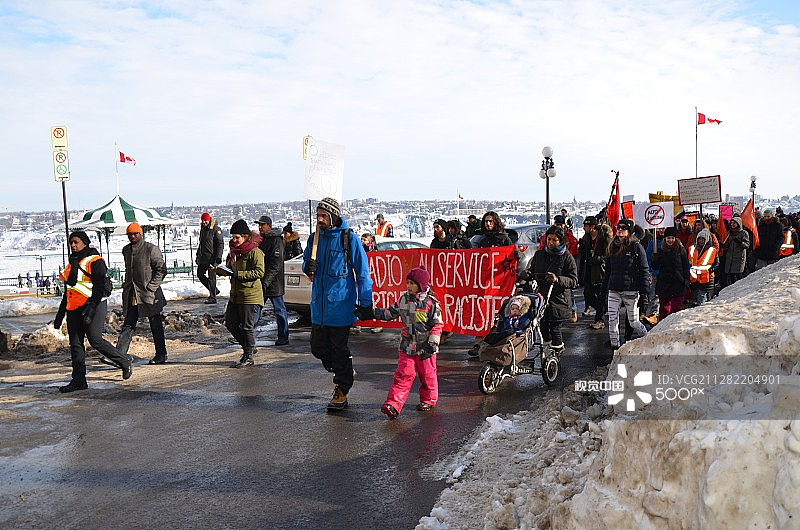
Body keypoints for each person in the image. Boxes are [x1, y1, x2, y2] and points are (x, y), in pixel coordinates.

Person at [303, 197, 374, 411]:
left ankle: (341, 389)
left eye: (324, 216)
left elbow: (362, 272)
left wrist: (366, 302)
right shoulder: (314, 239)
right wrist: (309, 266)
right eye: (318, 216)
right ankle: (343, 369)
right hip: (319, 307)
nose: (320, 220)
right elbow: (308, 267)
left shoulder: (348, 239)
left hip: (340, 306)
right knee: (318, 348)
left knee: (339, 348)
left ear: (334, 216)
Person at [54, 231, 132, 392]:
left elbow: (98, 287)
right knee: (75, 344)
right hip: (74, 307)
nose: (73, 245)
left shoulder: (96, 261)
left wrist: (91, 308)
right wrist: (60, 314)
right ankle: (78, 381)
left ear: (85, 242)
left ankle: (123, 361)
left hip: (94, 305)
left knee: (95, 340)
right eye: (71, 243)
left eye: (76, 242)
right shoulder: (72, 261)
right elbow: (70, 289)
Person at [374, 266, 443, 419]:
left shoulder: (431, 304)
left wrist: (432, 345)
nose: (409, 286)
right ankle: (393, 404)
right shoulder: (403, 299)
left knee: (428, 375)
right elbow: (390, 313)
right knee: (404, 374)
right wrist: (371, 312)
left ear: (421, 285)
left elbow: (437, 325)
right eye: (408, 282)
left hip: (425, 348)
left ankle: (429, 399)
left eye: (412, 283)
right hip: (407, 347)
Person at [520, 226, 578, 354]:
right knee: (543, 327)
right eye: (549, 239)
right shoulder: (540, 254)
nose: (550, 242)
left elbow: (574, 281)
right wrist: (527, 274)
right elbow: (533, 271)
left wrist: (558, 279)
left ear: (561, 241)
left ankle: (557, 352)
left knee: (555, 328)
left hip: (559, 299)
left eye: (554, 240)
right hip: (542, 297)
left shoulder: (566, 257)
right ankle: (549, 348)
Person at [116, 223, 169, 365]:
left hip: (149, 296)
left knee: (155, 325)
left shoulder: (151, 249)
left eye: (135, 234)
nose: (133, 236)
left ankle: (161, 354)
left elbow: (161, 270)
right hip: (132, 294)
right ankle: (118, 356)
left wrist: (151, 287)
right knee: (128, 325)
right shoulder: (126, 250)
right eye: (130, 234)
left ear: (141, 234)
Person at [603, 219, 652, 349]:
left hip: (630, 289)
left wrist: (644, 293)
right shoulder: (612, 247)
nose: (620, 230)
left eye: (623, 228)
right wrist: (603, 291)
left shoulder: (636, 247)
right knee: (612, 321)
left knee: (634, 322)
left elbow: (644, 269)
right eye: (618, 228)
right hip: (614, 288)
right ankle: (615, 349)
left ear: (629, 231)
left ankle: (648, 340)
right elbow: (608, 271)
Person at [222, 220, 265, 367]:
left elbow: (259, 272)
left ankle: (248, 355)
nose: (234, 240)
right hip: (236, 294)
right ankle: (249, 347)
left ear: (245, 236)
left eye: (237, 237)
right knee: (231, 323)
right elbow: (232, 268)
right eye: (232, 237)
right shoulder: (234, 251)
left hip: (250, 295)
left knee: (247, 326)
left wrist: (238, 274)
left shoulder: (255, 251)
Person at [255, 215, 289, 346]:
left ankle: (284, 337)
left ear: (269, 226)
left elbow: (276, 265)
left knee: (279, 311)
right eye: (259, 225)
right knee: (255, 309)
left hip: (273, 284)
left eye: (262, 225)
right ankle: (246, 336)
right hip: (264, 282)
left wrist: (265, 282)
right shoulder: (263, 240)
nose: (260, 227)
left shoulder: (276, 241)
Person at [652, 227, 690, 321]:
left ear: (676, 239)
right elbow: (655, 266)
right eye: (668, 238)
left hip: (678, 283)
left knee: (676, 310)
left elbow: (686, 266)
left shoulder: (681, 251)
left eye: (672, 238)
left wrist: (686, 280)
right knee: (664, 309)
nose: (670, 240)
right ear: (665, 239)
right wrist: (655, 257)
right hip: (664, 284)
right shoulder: (661, 251)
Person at [582, 219, 612, 329]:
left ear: (593, 227)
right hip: (589, 271)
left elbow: (607, 256)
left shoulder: (605, 239)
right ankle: (602, 309)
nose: (584, 228)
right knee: (588, 295)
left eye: (586, 226)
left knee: (601, 296)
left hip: (600, 272)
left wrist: (595, 258)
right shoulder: (586, 238)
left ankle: (599, 319)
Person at [196, 212, 224, 304]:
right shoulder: (203, 229)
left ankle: (213, 297)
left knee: (212, 277)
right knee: (200, 274)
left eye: (205, 220)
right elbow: (201, 244)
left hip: (212, 257)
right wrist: (198, 255)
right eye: (203, 220)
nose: (204, 222)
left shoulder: (215, 229)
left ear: (209, 220)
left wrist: (218, 257)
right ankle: (214, 290)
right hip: (204, 257)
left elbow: (220, 244)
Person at [688, 228, 718, 306]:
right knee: (696, 297)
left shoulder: (712, 250)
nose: (701, 240)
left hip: (707, 278)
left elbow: (717, 263)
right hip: (694, 278)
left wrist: (710, 270)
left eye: (703, 239)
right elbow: (689, 262)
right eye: (699, 239)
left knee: (702, 298)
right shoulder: (692, 249)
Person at [721, 216, 750, 285]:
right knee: (731, 276)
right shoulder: (730, 233)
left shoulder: (743, 233)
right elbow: (727, 244)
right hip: (730, 257)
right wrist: (723, 245)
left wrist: (740, 242)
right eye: (731, 223)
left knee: (738, 275)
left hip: (739, 257)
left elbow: (747, 245)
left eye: (734, 223)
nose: (732, 224)